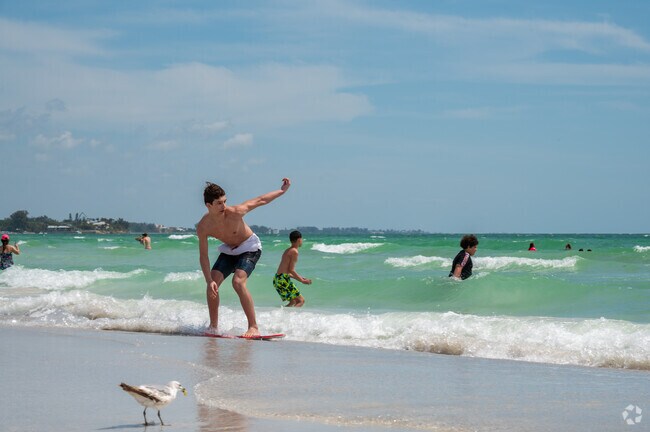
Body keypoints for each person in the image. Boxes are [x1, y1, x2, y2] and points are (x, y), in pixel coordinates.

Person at [197, 178, 291, 337]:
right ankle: (213, 327)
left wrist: (282, 190)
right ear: (209, 205)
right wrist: (209, 280)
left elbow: (260, 200)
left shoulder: (235, 212)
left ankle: (253, 327)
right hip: (229, 250)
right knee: (212, 283)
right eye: (219, 203)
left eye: (225, 201)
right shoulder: (203, 226)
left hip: (249, 247)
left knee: (238, 282)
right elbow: (203, 256)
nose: (224, 206)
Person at [273, 230, 312, 307]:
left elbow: (287, 272)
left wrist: (301, 278)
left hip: (277, 279)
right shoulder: (294, 251)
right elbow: (291, 270)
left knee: (294, 301)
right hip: (283, 279)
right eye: (302, 239)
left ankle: (283, 315)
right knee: (301, 301)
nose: (302, 241)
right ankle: (291, 317)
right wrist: (302, 281)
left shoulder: (288, 250)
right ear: (298, 240)